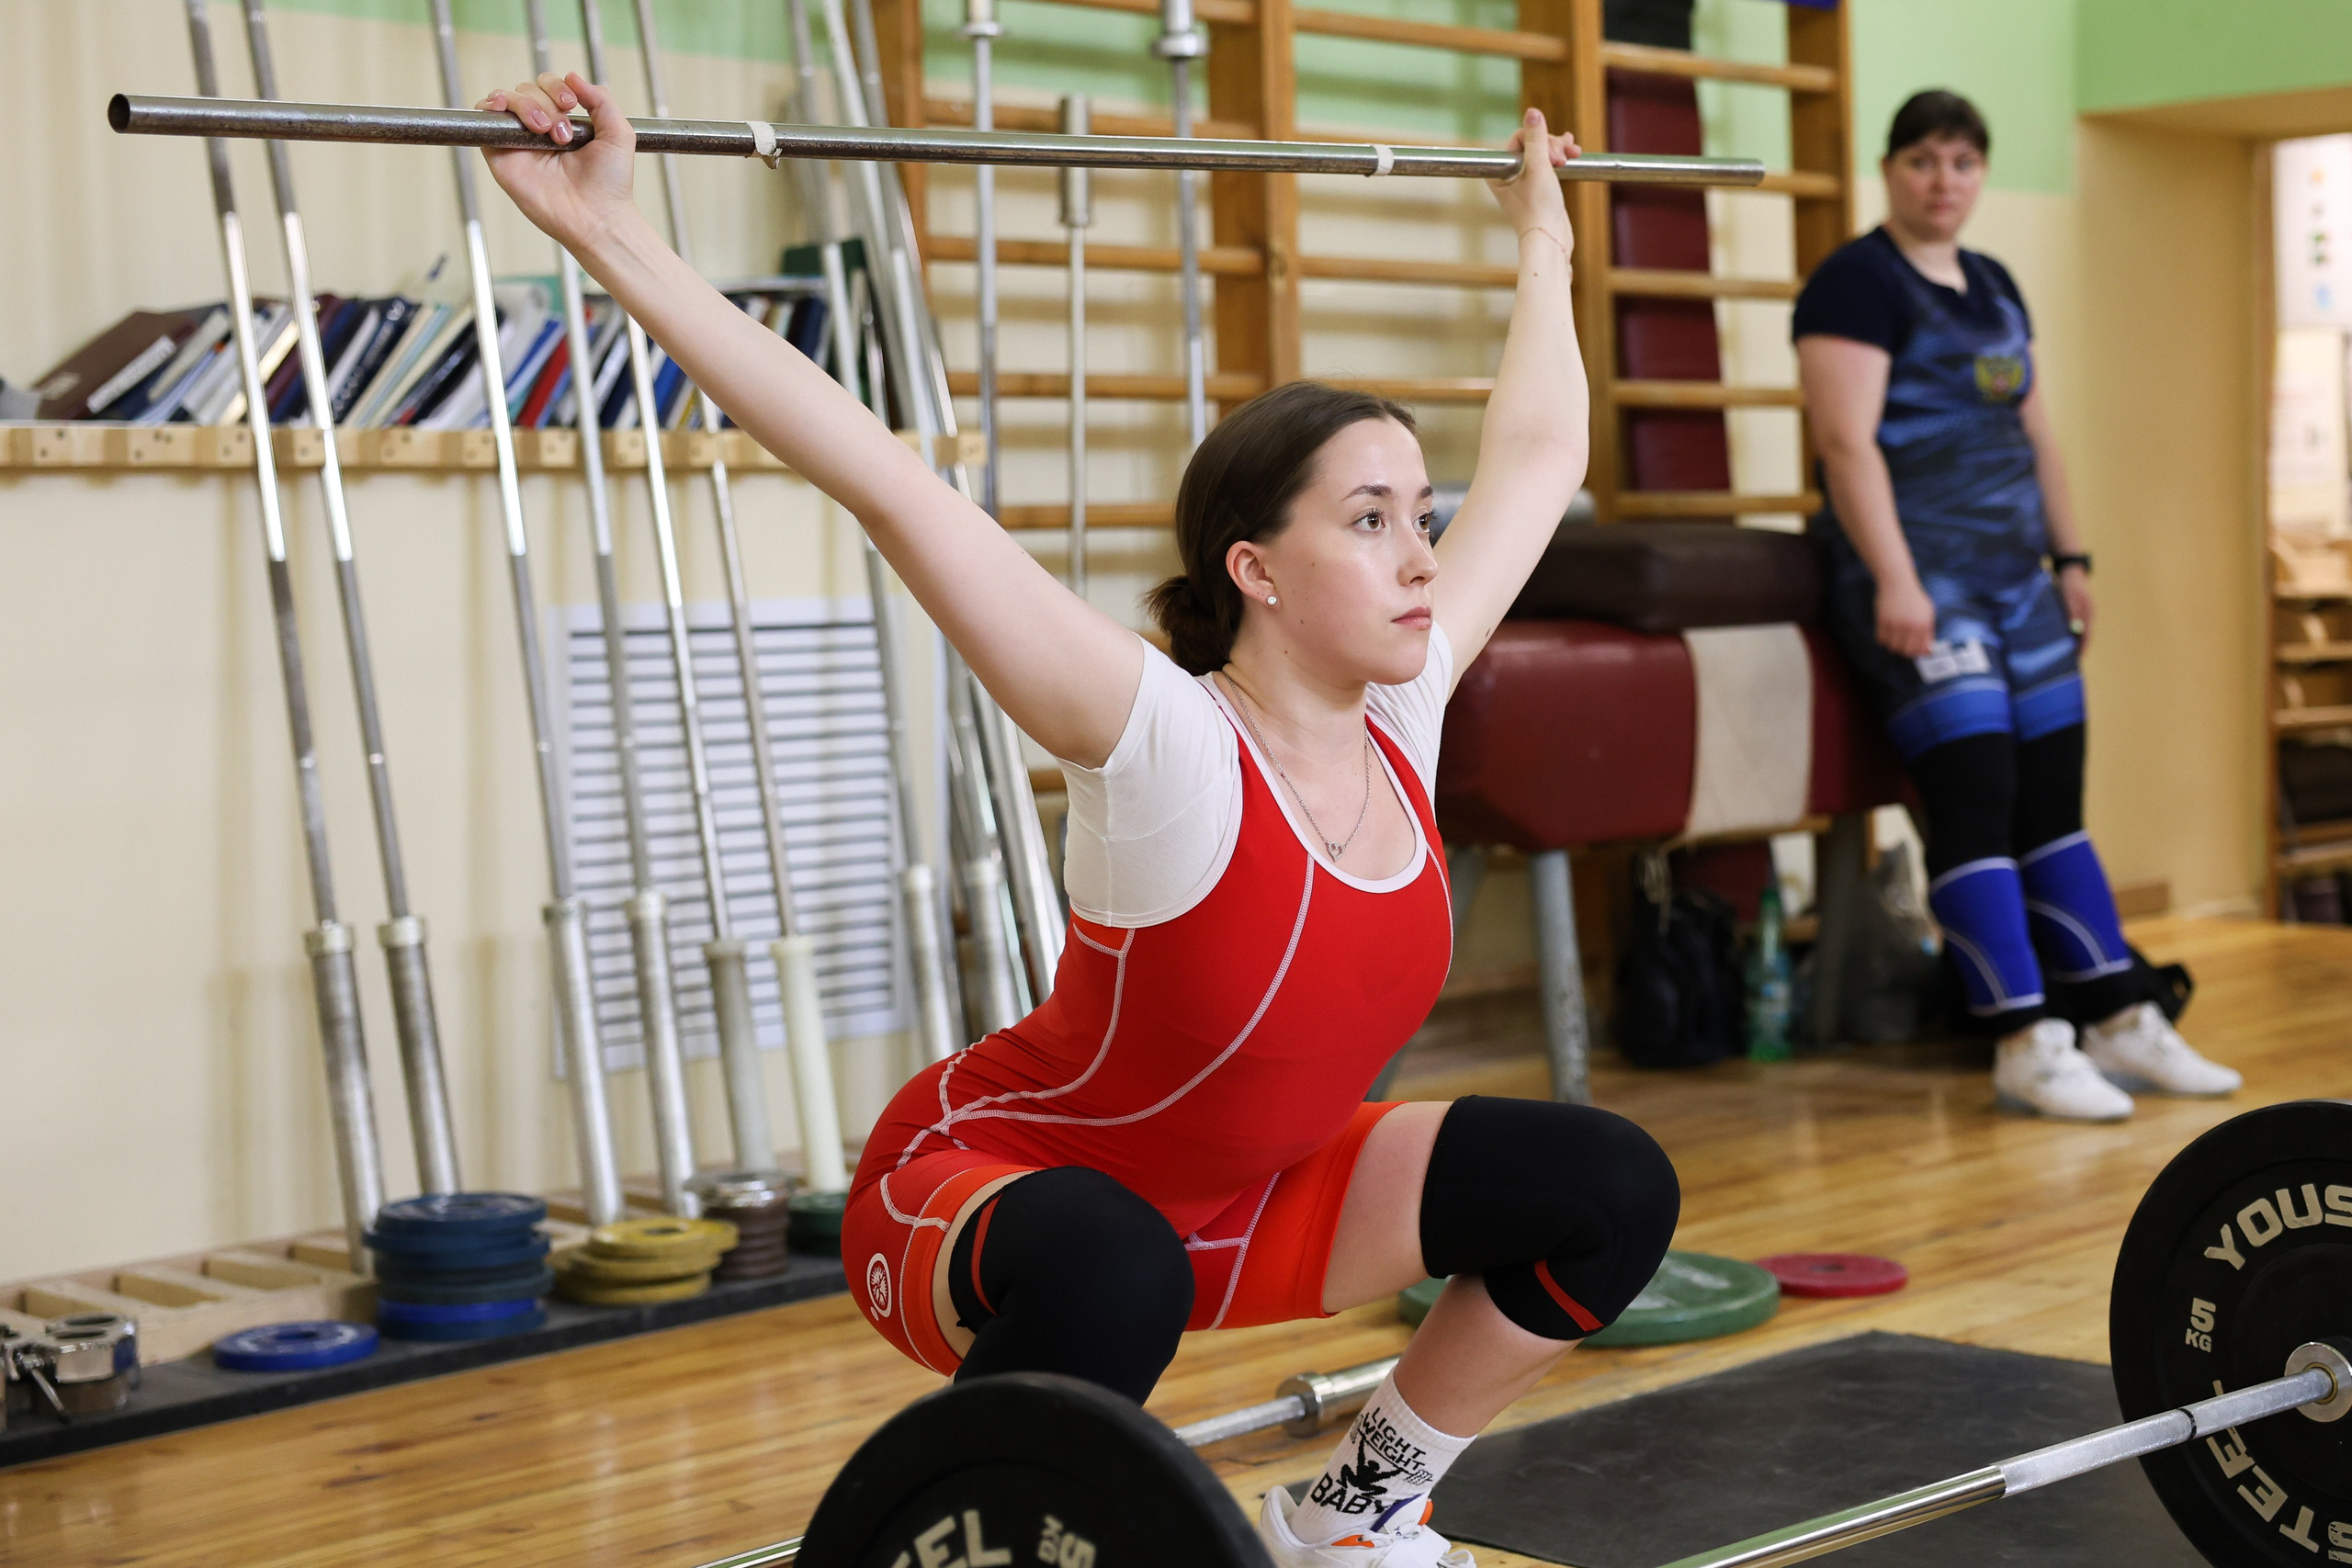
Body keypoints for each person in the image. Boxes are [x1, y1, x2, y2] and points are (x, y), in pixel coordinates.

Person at [481, 74, 1679, 1568]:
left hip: (1246, 1202)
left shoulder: (1405, 703)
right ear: (1256, 568)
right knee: (1118, 1266)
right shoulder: (1168, 737)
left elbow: (1542, 458)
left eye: (1419, 512)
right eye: (1368, 518)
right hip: (986, 1196)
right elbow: (892, 485)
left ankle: (1354, 1515)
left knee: (1608, 1186)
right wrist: (610, 232)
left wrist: (1540, 242)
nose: (1419, 549)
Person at [1794, 90, 2239, 1121]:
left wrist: (2069, 558)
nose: (1941, 180)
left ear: (1979, 174)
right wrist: (1897, 583)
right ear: (1887, 170)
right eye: (1919, 160)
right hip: (1919, 584)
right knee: (1975, 798)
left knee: (2053, 803)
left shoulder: (1993, 284)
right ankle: (2020, 1038)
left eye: (1960, 161)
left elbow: (2038, 435)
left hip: (2016, 581)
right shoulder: (1853, 285)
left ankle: (2119, 1016)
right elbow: (1847, 445)